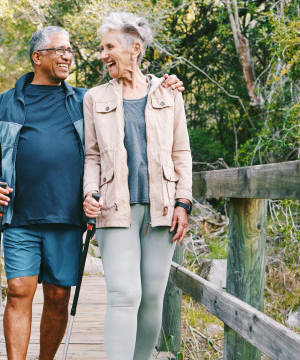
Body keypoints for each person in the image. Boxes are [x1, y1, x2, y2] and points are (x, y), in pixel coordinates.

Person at [0, 25, 184, 360]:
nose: (68, 56)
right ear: (38, 57)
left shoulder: (85, 100)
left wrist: (164, 82)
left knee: (58, 295)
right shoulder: (7, 103)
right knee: (18, 290)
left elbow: (131, 96)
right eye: (59, 50)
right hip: (20, 215)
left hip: (68, 216)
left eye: (70, 50)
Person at [82, 12, 192, 360]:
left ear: (135, 48)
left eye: (109, 47)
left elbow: (182, 153)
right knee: (123, 294)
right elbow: (92, 156)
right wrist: (89, 192)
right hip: (115, 207)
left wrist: (183, 202)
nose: (103, 55)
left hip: (162, 208)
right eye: (102, 48)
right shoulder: (94, 98)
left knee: (152, 296)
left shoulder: (170, 94)